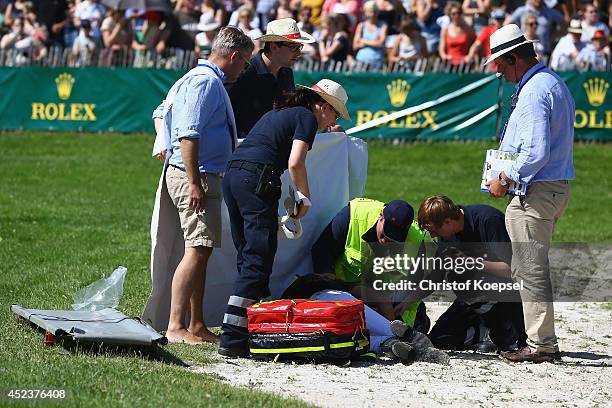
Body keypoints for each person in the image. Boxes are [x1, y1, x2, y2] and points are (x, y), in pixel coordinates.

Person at [218, 79, 350, 357]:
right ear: (322, 106)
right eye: (335, 114)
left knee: (247, 254)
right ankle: (232, 338)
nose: (332, 121)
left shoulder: (280, 112)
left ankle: (247, 326)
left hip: (233, 177)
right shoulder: (307, 117)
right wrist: (305, 196)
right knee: (258, 256)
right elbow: (295, 162)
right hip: (256, 180)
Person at [157, 27, 254, 345]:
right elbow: (188, 133)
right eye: (245, 63)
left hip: (202, 175)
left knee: (202, 250)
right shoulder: (205, 81)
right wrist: (195, 181)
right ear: (235, 56)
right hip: (195, 176)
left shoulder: (202, 78)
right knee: (197, 249)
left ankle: (196, 324)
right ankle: (175, 326)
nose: (244, 70)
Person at [484, 24, 575, 363]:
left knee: (531, 268)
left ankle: (542, 346)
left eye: (500, 64)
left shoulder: (536, 91)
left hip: (535, 190)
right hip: (549, 188)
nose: (497, 70)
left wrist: (505, 178)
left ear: (513, 59)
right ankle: (541, 342)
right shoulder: (550, 82)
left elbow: (535, 153)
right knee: (527, 266)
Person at [395, 195, 528, 353]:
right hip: (474, 300)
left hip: (507, 297)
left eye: (434, 230)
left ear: (448, 221)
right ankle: (479, 331)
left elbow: (514, 270)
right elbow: (435, 278)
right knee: (439, 340)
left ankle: (506, 331)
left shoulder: (488, 220)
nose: (433, 236)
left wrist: (471, 262)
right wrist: (406, 301)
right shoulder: (447, 237)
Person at [309, 198, 429, 329]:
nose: (386, 241)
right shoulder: (353, 216)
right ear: (381, 217)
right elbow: (322, 250)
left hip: (388, 302)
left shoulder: (415, 240)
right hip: (346, 293)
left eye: (394, 239)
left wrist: (403, 303)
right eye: (385, 234)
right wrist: (330, 284)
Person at [227, 18, 315, 138]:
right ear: (273, 47)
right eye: (293, 47)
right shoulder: (245, 72)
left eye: (299, 47)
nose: (298, 53)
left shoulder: (287, 73)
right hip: (243, 148)